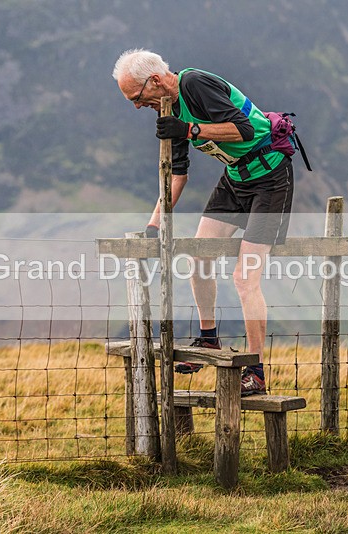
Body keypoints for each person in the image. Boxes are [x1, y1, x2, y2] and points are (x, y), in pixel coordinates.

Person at [113, 49, 294, 396]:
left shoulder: (194, 84)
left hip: (270, 178)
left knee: (244, 278)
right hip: (235, 180)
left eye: (136, 98)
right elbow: (176, 176)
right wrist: (153, 226)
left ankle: (255, 371)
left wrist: (190, 128)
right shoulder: (168, 111)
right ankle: (209, 338)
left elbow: (244, 129)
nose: (137, 106)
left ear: (154, 81)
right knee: (199, 258)